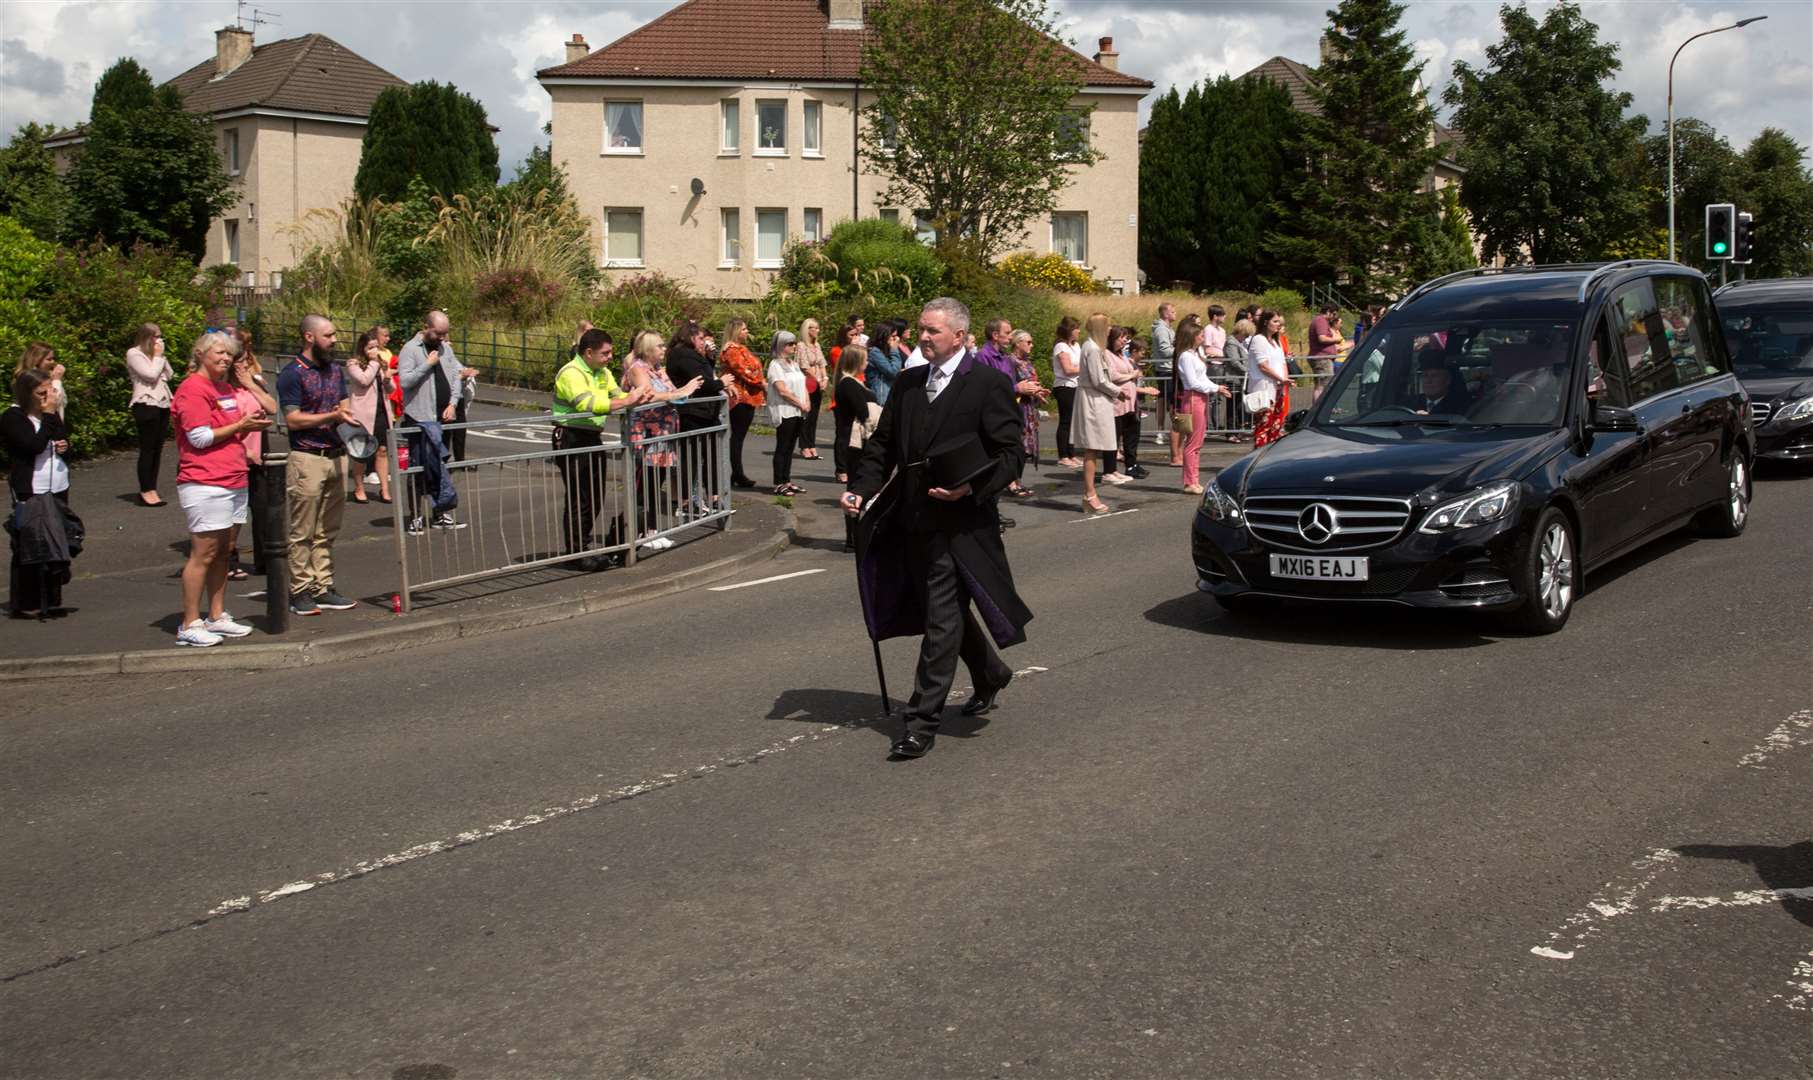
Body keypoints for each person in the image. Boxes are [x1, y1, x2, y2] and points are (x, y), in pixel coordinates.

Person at [842, 296, 1029, 761]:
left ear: (960, 337)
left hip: (963, 525)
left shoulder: (987, 384)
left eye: (933, 332)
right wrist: (861, 489)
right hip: (912, 521)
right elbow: (882, 447)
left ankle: (921, 721)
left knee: (940, 621)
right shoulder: (908, 382)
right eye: (922, 330)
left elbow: (1010, 454)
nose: (922, 338)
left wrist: (972, 488)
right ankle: (989, 673)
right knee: (940, 613)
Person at [170, 330, 271, 645]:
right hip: (204, 479)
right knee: (204, 552)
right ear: (200, 354)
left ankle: (216, 615)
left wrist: (245, 426)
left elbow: (230, 428)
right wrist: (241, 426)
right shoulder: (192, 389)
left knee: (224, 552)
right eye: (219, 353)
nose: (225, 359)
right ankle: (190, 622)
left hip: (233, 475)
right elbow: (199, 437)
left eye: (229, 354)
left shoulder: (225, 387)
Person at [277, 315, 358, 616]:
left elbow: (343, 401)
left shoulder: (335, 370)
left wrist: (345, 414)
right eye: (328, 335)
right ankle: (300, 589)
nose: (334, 340)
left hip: (336, 454)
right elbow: (293, 419)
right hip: (307, 457)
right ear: (309, 337)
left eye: (334, 334)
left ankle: (322, 586)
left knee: (328, 527)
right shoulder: (292, 374)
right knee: (303, 529)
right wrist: (331, 417)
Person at [553, 328, 650, 569]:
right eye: (605, 353)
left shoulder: (602, 372)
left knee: (595, 495)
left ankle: (583, 546)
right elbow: (587, 404)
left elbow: (617, 395)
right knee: (579, 496)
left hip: (591, 436)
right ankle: (575, 552)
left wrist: (637, 397)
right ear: (588, 353)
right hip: (571, 436)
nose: (609, 358)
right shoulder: (571, 373)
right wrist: (626, 401)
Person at [624, 330, 703, 552]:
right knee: (644, 485)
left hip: (663, 436)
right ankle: (640, 532)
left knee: (656, 484)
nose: (663, 349)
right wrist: (679, 393)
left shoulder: (659, 370)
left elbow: (672, 392)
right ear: (648, 349)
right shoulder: (638, 370)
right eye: (659, 346)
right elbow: (648, 395)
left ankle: (651, 529)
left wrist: (685, 391)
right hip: (645, 436)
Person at [4, 369, 74, 619]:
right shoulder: (14, 417)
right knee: (29, 545)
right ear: (27, 394)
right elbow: (32, 446)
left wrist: (65, 446)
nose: (47, 397)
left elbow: (62, 440)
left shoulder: (51, 415)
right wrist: (46, 416)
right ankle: (25, 601)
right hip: (31, 487)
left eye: (49, 391)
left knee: (56, 540)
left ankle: (52, 598)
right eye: (41, 393)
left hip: (57, 485)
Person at [396, 311, 470, 534]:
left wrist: (453, 403)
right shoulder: (410, 350)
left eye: (445, 333)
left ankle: (440, 513)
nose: (442, 337)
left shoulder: (445, 348)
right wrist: (427, 364)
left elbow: (456, 375)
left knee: (441, 466)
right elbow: (406, 381)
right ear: (425, 327)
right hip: (420, 418)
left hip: (443, 416)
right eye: (438, 333)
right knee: (418, 467)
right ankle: (415, 516)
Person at [665, 320, 735, 515]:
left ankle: (713, 498)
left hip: (705, 413)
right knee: (691, 458)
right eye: (701, 338)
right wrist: (721, 382)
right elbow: (702, 382)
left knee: (710, 456)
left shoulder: (694, 355)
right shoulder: (683, 355)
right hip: (693, 413)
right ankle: (687, 502)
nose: (704, 342)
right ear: (691, 337)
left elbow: (705, 373)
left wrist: (710, 358)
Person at [225, 337, 278, 580]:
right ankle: (228, 560)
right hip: (233, 457)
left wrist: (251, 383)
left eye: (246, 361)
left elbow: (272, 407)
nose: (243, 366)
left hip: (258, 456)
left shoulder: (254, 382)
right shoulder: (222, 388)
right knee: (231, 514)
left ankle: (264, 560)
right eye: (239, 363)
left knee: (262, 509)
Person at [1071, 313, 1126, 512]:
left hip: (1098, 400)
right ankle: (1089, 494)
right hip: (1093, 401)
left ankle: (1090, 493)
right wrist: (1118, 391)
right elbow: (1098, 380)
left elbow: (1105, 375)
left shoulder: (1095, 347)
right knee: (1091, 448)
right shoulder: (1093, 348)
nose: (1110, 328)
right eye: (1108, 325)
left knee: (1094, 448)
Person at [1172, 322, 1232, 495]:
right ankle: (1190, 481)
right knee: (1193, 443)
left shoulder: (1193, 354)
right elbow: (1192, 383)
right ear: (1191, 336)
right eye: (1199, 335)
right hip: (1192, 399)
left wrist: (1216, 387)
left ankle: (1193, 479)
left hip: (1199, 398)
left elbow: (1202, 379)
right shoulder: (1185, 356)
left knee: (1197, 442)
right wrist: (1215, 388)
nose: (1202, 337)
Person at [832, 347, 877, 548]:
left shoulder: (853, 382)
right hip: (854, 443)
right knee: (856, 488)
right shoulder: (848, 384)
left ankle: (857, 534)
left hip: (856, 441)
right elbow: (863, 411)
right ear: (857, 361)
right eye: (865, 359)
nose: (867, 363)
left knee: (858, 487)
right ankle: (853, 536)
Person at [126, 322, 174, 507]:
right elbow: (150, 375)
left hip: (162, 402)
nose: (159, 340)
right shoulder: (134, 353)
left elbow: (168, 374)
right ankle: (145, 489)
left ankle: (153, 488)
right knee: (147, 449)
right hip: (145, 403)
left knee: (157, 449)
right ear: (147, 337)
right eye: (156, 336)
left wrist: (161, 357)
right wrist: (158, 357)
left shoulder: (154, 356)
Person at [344, 332, 393, 506]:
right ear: (362, 348)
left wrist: (387, 379)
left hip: (381, 412)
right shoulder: (353, 364)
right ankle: (359, 487)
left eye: (376, 347)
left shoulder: (380, 364)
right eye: (370, 347)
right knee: (361, 454)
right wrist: (374, 362)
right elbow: (364, 380)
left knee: (382, 450)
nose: (374, 350)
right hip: (363, 415)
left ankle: (385, 489)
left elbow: (391, 389)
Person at [717, 317, 766, 489]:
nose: (746, 332)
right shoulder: (731, 350)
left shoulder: (741, 348)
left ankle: (736, 473)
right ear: (736, 330)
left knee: (739, 436)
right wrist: (762, 382)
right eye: (744, 329)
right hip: (739, 397)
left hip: (749, 397)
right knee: (737, 436)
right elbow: (744, 371)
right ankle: (737, 473)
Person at [762, 330, 810, 497]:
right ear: (781, 346)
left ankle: (787, 480)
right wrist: (800, 403)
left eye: (794, 343)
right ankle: (779, 482)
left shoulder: (794, 364)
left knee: (790, 447)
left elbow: (803, 385)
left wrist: (807, 402)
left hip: (798, 411)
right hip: (785, 411)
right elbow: (782, 390)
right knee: (782, 447)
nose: (794, 346)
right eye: (790, 344)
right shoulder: (775, 365)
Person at [1006, 329, 1047, 499]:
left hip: (1029, 408)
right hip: (1016, 409)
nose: (1031, 345)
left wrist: (1038, 392)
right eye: (1028, 342)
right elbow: (1007, 385)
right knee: (1016, 446)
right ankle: (1010, 482)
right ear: (1017, 343)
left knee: (1024, 448)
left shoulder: (1027, 362)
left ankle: (1018, 480)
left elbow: (1031, 384)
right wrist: (1023, 390)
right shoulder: (1010, 362)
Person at [1247, 310, 1293, 448]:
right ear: (1266, 322)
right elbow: (1263, 366)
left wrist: (1284, 380)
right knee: (1264, 425)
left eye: (1279, 322)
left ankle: (1269, 455)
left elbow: (1282, 363)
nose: (1278, 325)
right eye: (1275, 321)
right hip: (1264, 389)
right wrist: (1281, 379)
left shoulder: (1276, 341)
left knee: (1276, 425)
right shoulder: (1259, 340)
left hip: (1278, 387)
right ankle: (1259, 455)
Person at [1051, 316, 1082, 467]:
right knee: (1065, 421)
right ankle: (1063, 455)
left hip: (1076, 386)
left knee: (1074, 422)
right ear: (1069, 330)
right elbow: (1068, 369)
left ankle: (1072, 453)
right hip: (1064, 387)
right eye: (1076, 328)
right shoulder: (1061, 346)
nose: (1079, 331)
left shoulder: (1076, 346)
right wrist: (1086, 369)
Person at [1150, 302, 1179, 463]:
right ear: (1166, 313)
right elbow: (1164, 350)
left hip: (1168, 368)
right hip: (1165, 369)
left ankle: (1164, 431)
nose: (1175, 314)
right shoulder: (1162, 329)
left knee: (1166, 400)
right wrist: (1181, 348)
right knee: (1168, 401)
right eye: (1173, 311)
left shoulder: (1168, 329)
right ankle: (1163, 432)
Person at [796, 318, 827, 460]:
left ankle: (812, 444)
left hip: (818, 383)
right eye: (813, 328)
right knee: (806, 416)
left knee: (814, 416)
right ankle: (804, 445)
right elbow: (805, 366)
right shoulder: (801, 346)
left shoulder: (817, 345)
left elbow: (822, 363)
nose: (817, 330)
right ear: (807, 330)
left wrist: (825, 378)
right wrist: (818, 379)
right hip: (807, 383)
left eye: (818, 327)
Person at [1222, 317, 1254, 443]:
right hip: (1233, 379)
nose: (1246, 337)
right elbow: (1234, 362)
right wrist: (1247, 370)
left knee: (1238, 406)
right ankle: (1230, 433)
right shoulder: (1231, 342)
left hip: (1239, 380)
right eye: (1245, 334)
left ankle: (1237, 430)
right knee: (1232, 407)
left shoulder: (1237, 342)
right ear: (1241, 331)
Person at [16, 343, 65, 420]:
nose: (53, 362)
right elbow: (54, 402)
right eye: (49, 359)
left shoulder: (49, 378)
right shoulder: (29, 379)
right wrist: (57, 380)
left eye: (53, 359)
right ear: (37, 360)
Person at [1308, 302, 1343, 399]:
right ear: (1328, 312)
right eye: (1334, 314)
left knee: (1320, 386)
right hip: (1322, 359)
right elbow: (1322, 338)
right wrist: (1336, 339)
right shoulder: (1321, 320)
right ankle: (1319, 410)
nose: (1334, 317)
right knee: (1323, 386)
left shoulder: (1319, 320)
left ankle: (1318, 409)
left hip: (1322, 358)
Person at [865, 321, 904, 405]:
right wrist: (894, 350)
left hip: (889, 396)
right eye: (893, 336)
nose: (896, 339)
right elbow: (893, 372)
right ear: (883, 336)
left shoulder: (885, 351)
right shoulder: (874, 352)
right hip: (881, 398)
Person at [974, 318, 1018, 382]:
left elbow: (1012, 382)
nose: (1011, 337)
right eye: (1007, 333)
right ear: (995, 335)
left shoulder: (1006, 357)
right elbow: (985, 385)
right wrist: (1016, 388)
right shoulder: (983, 356)